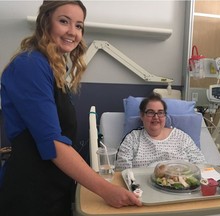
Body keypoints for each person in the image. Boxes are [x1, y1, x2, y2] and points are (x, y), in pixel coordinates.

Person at [0, 1, 141, 215]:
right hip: (31, 193)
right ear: (46, 21)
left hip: (54, 186)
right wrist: (105, 189)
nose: (72, 32)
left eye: (79, 25)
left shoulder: (52, 68)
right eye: (64, 21)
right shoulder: (30, 66)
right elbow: (53, 143)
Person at [116, 93, 206, 171]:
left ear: (165, 116)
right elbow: (122, 172)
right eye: (150, 112)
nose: (156, 117)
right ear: (142, 115)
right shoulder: (132, 139)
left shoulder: (182, 137)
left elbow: (201, 166)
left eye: (160, 113)